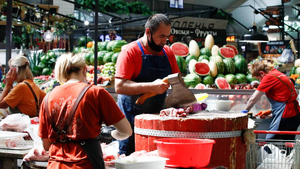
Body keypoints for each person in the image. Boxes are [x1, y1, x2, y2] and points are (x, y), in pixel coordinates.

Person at [38, 53, 132, 169]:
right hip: (85, 164)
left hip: (56, 165)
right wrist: (108, 133)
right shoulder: (96, 93)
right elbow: (126, 131)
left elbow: (46, 145)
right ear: (84, 70)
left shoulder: (48, 97)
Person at [115, 13, 180, 155]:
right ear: (148, 32)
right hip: (130, 122)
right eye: (161, 36)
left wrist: (182, 104)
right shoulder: (130, 52)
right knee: (130, 158)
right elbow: (119, 86)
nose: (165, 41)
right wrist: (151, 86)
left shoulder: (168, 53)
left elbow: (177, 80)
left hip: (157, 121)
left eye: (167, 36)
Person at [245, 61, 300, 140]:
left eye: (259, 79)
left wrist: (244, 112)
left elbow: (253, 98)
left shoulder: (268, 77)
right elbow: (284, 96)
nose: (260, 81)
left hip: (286, 114)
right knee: (286, 144)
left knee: (271, 143)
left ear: (262, 73)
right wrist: (271, 111)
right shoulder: (276, 73)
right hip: (295, 113)